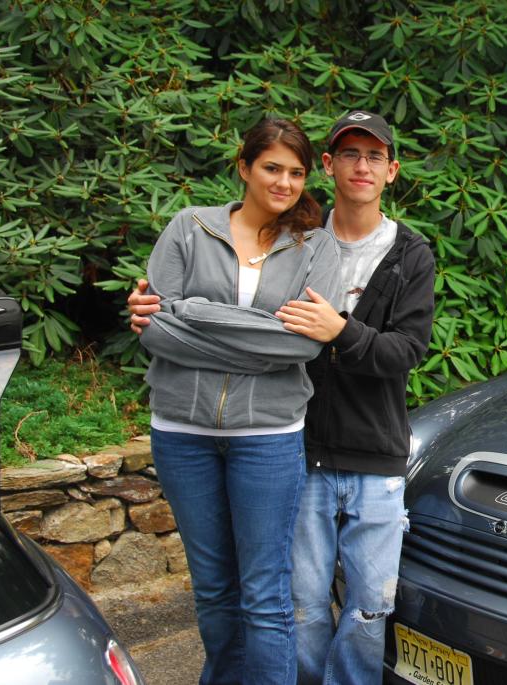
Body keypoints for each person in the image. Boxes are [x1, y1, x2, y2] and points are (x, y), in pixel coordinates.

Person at [130, 110, 436, 685]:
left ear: (391, 170)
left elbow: (349, 349)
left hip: (332, 444)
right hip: (272, 442)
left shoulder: (371, 251)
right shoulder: (219, 230)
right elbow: (157, 329)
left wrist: (195, 317)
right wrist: (224, 331)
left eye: (374, 156)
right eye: (350, 154)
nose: (362, 166)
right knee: (281, 600)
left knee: (352, 605)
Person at [134, 117, 339, 685]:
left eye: (296, 173)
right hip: (182, 433)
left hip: (267, 437)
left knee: (265, 594)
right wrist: (260, 336)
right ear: (244, 167)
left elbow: (302, 345)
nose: (284, 183)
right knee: (213, 589)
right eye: (272, 168)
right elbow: (156, 331)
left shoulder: (315, 246)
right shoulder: (189, 227)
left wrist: (192, 314)